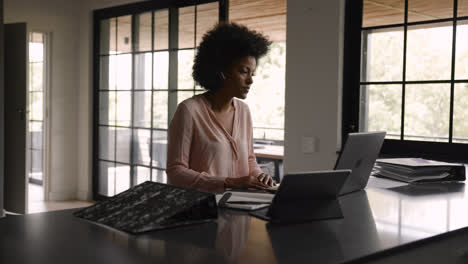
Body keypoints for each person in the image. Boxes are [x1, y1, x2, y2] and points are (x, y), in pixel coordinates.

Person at [166, 22, 275, 193]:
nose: (250, 80)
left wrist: (260, 176)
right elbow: (176, 173)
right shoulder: (189, 111)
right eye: (243, 71)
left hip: (239, 206)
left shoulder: (244, 111)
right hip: (202, 209)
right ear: (222, 71)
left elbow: (249, 159)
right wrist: (229, 182)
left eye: (252, 73)